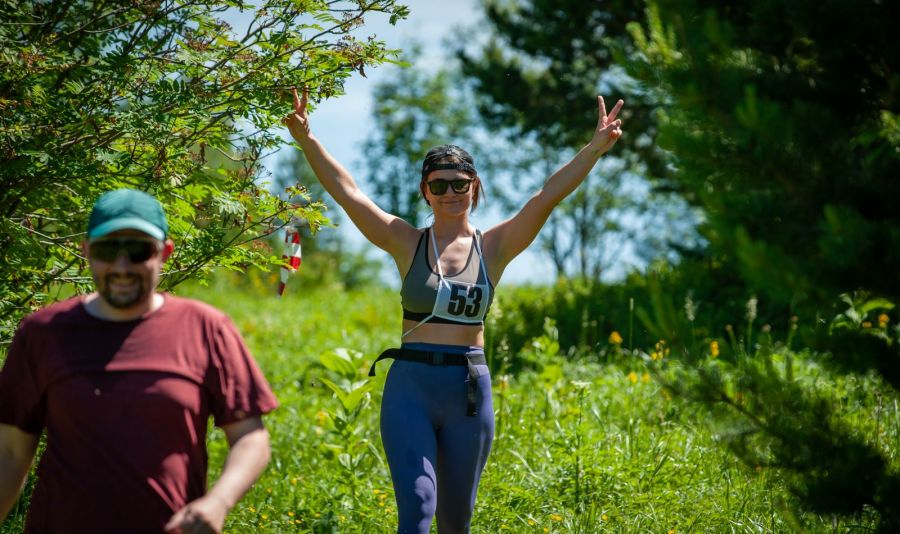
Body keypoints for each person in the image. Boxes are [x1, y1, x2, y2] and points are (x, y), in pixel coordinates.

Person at [283, 88, 623, 533]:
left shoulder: (495, 247)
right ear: (425, 191)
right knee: (419, 508)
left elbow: (546, 197)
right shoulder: (406, 242)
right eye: (439, 185)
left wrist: (595, 148)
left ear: (474, 187)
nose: (450, 193)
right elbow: (349, 195)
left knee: (456, 521)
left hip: (468, 390)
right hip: (411, 389)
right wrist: (308, 140)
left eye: (459, 184)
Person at [0, 188, 279, 533]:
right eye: (106, 250)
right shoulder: (43, 332)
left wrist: (218, 502)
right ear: (86, 251)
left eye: (137, 250)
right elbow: (10, 453)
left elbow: (251, 437)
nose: (121, 266)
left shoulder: (206, 328)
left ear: (164, 253)